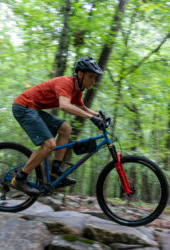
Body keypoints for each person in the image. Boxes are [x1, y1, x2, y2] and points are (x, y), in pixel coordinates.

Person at [11, 57, 106, 195]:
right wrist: (92, 118)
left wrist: (99, 116)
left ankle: (55, 171)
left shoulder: (77, 89)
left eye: (95, 77)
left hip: (33, 109)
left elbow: (82, 107)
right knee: (49, 145)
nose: (93, 80)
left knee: (66, 128)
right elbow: (64, 106)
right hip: (23, 107)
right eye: (91, 76)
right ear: (80, 74)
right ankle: (20, 178)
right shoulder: (66, 83)